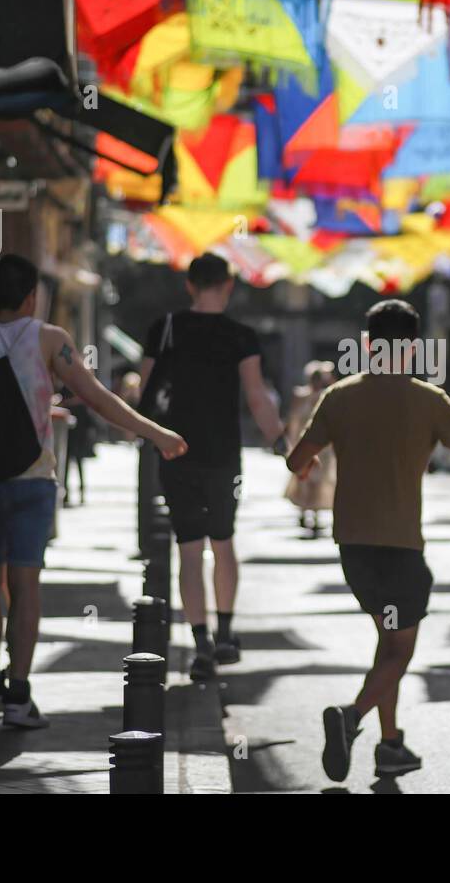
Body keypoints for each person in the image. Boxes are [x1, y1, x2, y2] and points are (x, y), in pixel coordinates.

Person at [0, 255, 186, 728]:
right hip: (34, 481)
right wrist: (156, 433)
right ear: (30, 297)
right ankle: (18, 695)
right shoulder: (50, 340)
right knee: (25, 585)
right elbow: (98, 398)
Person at [287, 299, 450, 782]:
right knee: (399, 652)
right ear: (413, 348)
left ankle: (390, 744)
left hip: (352, 545)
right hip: (400, 546)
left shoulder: (341, 396)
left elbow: (296, 460)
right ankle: (350, 718)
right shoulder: (428, 400)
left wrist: (310, 463)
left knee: (385, 645)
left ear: (369, 345)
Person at [138, 253, 286, 682]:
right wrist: (281, 440)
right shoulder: (240, 336)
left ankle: (199, 641)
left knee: (188, 548)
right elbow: (257, 397)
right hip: (223, 455)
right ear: (228, 286)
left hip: (173, 451)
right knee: (223, 542)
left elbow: (145, 392)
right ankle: (224, 633)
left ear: (189, 285)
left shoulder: (164, 328)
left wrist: (144, 435)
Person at [284, 360, 337, 536]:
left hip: (321, 447)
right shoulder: (301, 395)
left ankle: (312, 514)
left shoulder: (324, 395)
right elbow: (292, 419)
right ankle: (304, 512)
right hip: (304, 442)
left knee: (316, 481)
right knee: (304, 478)